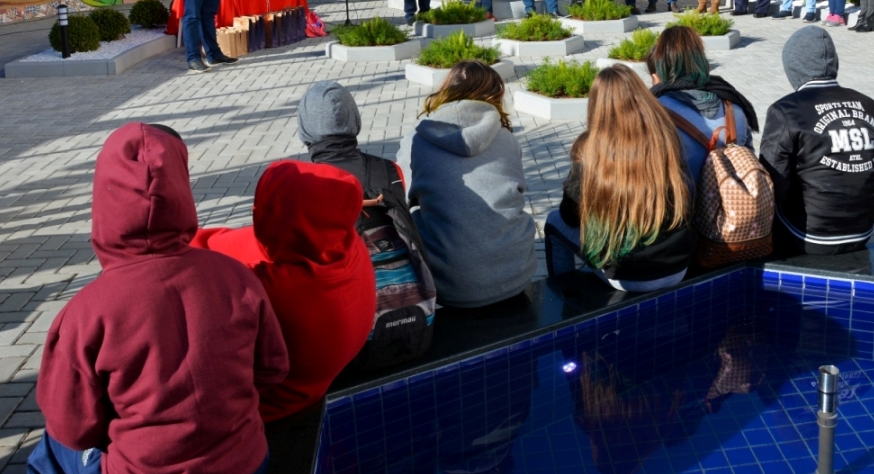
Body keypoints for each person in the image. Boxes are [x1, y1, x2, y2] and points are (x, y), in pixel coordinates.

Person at [31, 124, 289, 474]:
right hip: (244, 461)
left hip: (143, 469)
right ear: (181, 189)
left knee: (48, 450)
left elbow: (74, 429)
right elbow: (273, 369)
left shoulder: (84, 313)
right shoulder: (236, 276)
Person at [191, 160, 376, 423]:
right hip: (319, 376)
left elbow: (202, 269)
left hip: (271, 406)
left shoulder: (268, 289)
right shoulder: (347, 245)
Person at [296, 81, 436, 372]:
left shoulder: (300, 184)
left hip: (352, 337)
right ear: (355, 121)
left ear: (305, 128)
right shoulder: (390, 170)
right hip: (419, 317)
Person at [397, 61, 536, 307]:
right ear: (495, 96)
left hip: (451, 286)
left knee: (415, 215)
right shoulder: (507, 140)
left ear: (446, 89)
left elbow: (403, 198)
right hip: (516, 274)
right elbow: (517, 189)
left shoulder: (415, 141)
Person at [545, 65, 695, 291]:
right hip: (678, 267)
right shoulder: (665, 135)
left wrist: (574, 190)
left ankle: (564, 295)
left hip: (627, 276)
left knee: (553, 221)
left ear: (597, 105)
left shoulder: (590, 147)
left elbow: (569, 216)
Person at [760, 27, 874, 256]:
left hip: (807, 234)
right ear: (834, 63)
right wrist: (854, 189)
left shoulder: (785, 110)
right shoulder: (870, 105)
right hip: (862, 230)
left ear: (792, 67)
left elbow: (772, 186)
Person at [647, 26, 758, 187]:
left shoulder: (653, 112)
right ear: (701, 60)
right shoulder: (734, 106)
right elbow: (750, 160)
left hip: (681, 202)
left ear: (662, 64)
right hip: (730, 201)